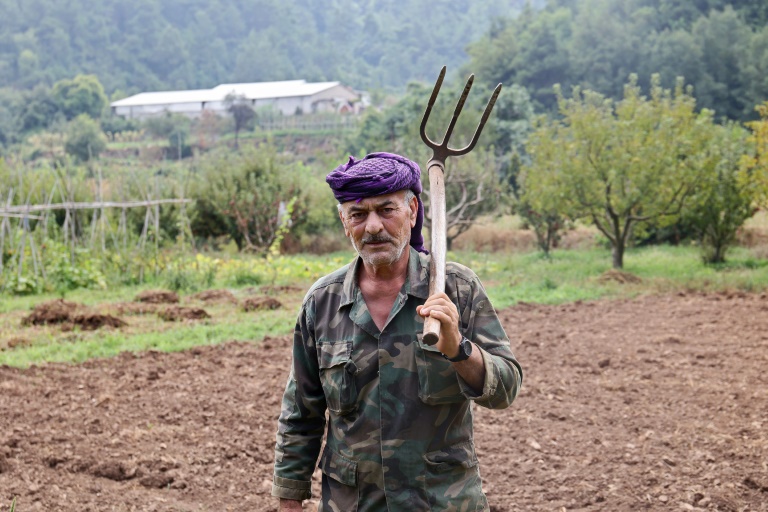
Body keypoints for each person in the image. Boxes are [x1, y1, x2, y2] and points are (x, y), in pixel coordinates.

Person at [272, 152, 523, 511]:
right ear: (345, 223)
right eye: (358, 214)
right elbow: (301, 415)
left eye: (386, 210)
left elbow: (506, 389)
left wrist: (459, 350)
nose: (373, 226)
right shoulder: (322, 304)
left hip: (441, 501)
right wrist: (288, 501)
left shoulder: (457, 289)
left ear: (413, 211)